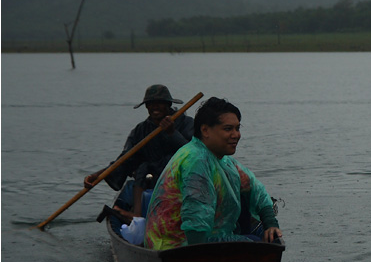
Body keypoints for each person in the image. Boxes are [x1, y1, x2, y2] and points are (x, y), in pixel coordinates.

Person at [144, 97, 283, 250]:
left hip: (206, 238)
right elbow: (196, 220)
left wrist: (271, 224)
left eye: (237, 128)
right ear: (205, 130)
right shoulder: (196, 160)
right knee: (257, 244)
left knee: (265, 235)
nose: (236, 135)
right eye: (228, 129)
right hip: (177, 247)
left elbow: (256, 190)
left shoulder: (222, 160)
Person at [85, 84, 194, 217]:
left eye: (159, 103)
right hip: (152, 180)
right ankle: (138, 216)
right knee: (142, 168)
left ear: (168, 104)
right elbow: (125, 159)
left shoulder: (187, 124)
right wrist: (97, 175)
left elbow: (193, 155)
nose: (154, 107)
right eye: (150, 104)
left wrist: (172, 133)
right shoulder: (140, 130)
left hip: (181, 179)